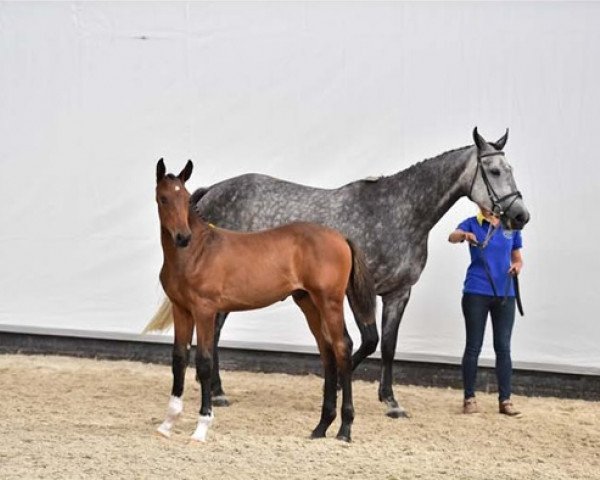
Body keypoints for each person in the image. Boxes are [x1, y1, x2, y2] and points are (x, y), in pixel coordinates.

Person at [448, 207, 523, 416]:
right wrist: (463, 235)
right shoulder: (472, 222)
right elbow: (451, 237)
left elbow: (517, 257)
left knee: (503, 347)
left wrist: (517, 266)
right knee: (473, 346)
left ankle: (505, 400)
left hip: (505, 293)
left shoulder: (511, 225)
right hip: (476, 291)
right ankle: (469, 398)